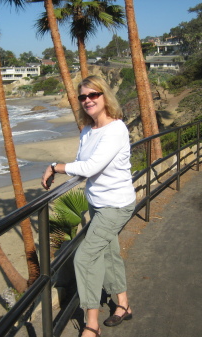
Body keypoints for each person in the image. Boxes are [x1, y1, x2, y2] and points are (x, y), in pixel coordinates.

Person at [41, 75, 136, 337]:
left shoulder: (116, 129)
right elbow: (82, 168)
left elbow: (92, 167)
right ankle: (123, 305)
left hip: (117, 204)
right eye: (83, 97)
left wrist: (54, 166)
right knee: (108, 253)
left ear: (105, 97)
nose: (88, 100)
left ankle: (91, 324)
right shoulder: (87, 130)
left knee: (85, 257)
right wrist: (62, 170)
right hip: (98, 203)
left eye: (93, 95)